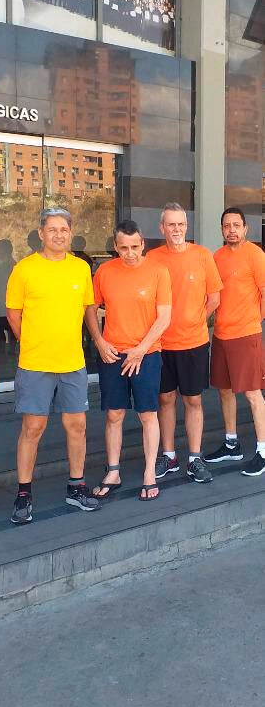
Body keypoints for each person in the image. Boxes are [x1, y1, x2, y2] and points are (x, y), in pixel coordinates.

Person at [6, 207, 100, 525]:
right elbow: (14, 315)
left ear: (69, 233)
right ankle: (23, 493)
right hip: (35, 363)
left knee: (78, 427)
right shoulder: (24, 269)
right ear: (41, 233)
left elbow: (88, 308)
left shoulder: (80, 269)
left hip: (72, 361)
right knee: (33, 428)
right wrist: (32, 342)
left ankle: (77, 486)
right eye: (53, 229)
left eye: (64, 229)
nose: (59, 234)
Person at [85, 220, 172, 501]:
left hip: (146, 354)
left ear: (143, 244)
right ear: (115, 247)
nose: (130, 253)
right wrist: (99, 341)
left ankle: (149, 472)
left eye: (135, 247)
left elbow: (164, 317)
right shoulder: (105, 272)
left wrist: (140, 349)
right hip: (113, 354)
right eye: (124, 248)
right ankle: (113, 471)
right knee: (114, 414)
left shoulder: (158, 271)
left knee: (148, 414)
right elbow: (90, 308)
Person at [147, 203, 222, 483]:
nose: (176, 229)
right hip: (161, 344)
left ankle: (194, 457)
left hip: (194, 342)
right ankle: (169, 456)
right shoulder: (152, 259)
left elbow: (214, 298)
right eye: (171, 224)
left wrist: (195, 320)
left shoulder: (202, 256)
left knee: (193, 399)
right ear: (162, 228)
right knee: (164, 399)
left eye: (180, 224)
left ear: (186, 227)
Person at [205, 207, 265, 476]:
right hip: (221, 335)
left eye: (236, 225)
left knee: (253, 394)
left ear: (245, 229)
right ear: (222, 229)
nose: (231, 230)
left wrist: (252, 321)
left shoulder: (255, 254)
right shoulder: (216, 257)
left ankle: (262, 451)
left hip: (246, 334)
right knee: (225, 390)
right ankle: (232, 444)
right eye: (226, 225)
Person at [0, 238, 16, 353]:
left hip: (7, 305)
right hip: (2, 305)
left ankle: (7, 354)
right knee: (1, 330)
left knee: (5, 331)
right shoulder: (4, 266)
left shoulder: (12, 267)